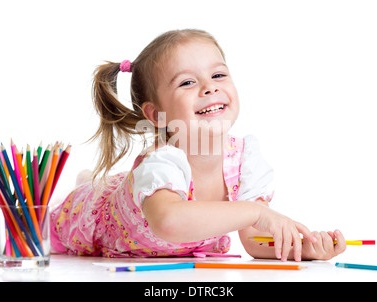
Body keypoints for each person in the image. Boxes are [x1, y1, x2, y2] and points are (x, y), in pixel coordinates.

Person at [50, 29, 346, 261]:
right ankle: (87, 185)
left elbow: (256, 239)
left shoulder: (244, 160)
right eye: (187, 83)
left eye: (218, 75)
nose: (210, 86)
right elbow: (168, 220)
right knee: (47, 227)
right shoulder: (162, 161)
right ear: (155, 114)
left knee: (115, 184)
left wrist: (302, 245)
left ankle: (95, 181)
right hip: (92, 222)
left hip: (147, 218)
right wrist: (255, 211)